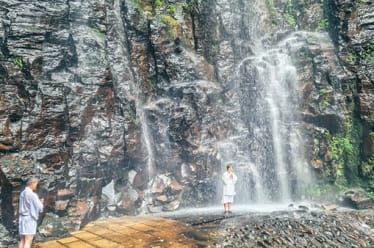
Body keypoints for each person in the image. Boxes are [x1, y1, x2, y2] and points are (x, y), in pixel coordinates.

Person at [18, 177, 44, 248]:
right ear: (32, 183)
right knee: (28, 240)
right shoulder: (32, 195)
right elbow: (40, 207)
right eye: (36, 184)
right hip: (29, 219)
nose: (36, 186)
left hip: (22, 218)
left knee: (22, 240)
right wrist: (41, 202)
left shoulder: (22, 193)